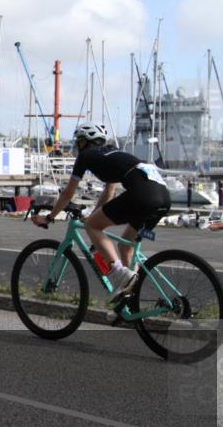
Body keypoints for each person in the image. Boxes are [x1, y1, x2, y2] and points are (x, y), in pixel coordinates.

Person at [32, 122, 172, 301]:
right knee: (125, 245)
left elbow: (68, 193)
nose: (77, 145)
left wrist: (49, 217)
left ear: (85, 142)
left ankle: (119, 272)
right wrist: (94, 217)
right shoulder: (113, 153)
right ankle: (128, 302)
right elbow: (109, 193)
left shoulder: (86, 157)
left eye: (79, 141)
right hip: (163, 197)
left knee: (92, 226)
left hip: (142, 195)